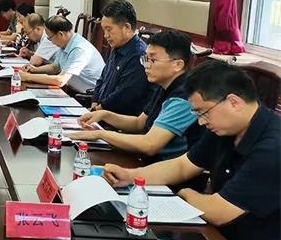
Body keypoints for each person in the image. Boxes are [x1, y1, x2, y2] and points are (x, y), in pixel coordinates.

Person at [102, 60, 280, 240]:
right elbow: (183, 165)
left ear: (234, 102)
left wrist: (186, 193)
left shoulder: (273, 147)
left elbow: (219, 212)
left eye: (203, 112)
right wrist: (130, 176)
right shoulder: (225, 128)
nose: (201, 122)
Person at [70, 30, 202, 162]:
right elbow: (139, 123)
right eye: (145, 59)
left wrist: (100, 134)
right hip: (147, 160)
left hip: (165, 167)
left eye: (153, 60)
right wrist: (105, 115)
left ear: (177, 65)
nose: (146, 65)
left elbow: (150, 144)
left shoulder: (184, 97)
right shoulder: (164, 85)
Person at [92, 0, 150, 115]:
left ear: (127, 27)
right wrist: (94, 102)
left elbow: (124, 95)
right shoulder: (117, 47)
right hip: (101, 113)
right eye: (104, 30)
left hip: (119, 119)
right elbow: (102, 79)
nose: (105, 35)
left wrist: (97, 110)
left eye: (109, 30)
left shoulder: (139, 54)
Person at [20, 15, 105, 93]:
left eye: (50, 38)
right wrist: (34, 70)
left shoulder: (78, 49)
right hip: (74, 91)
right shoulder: (66, 43)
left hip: (90, 96)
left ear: (60, 34)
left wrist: (27, 77)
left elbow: (61, 80)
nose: (51, 41)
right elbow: (55, 67)